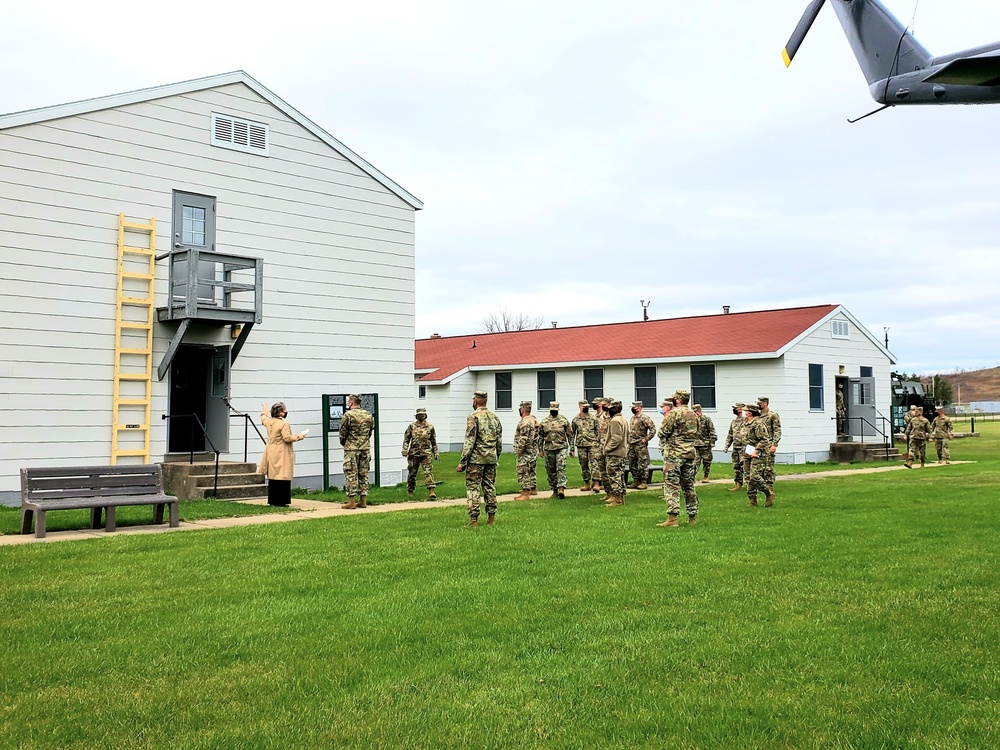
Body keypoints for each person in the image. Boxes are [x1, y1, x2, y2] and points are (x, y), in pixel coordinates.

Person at [456, 390, 503, 526]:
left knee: (473, 488)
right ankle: (491, 517)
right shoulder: (494, 417)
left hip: (476, 460)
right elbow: (499, 441)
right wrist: (496, 456)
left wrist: (462, 461)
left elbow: (469, 441)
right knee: (489, 487)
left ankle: (474, 519)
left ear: (476, 401)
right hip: (491, 459)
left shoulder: (473, 417)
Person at [656, 390, 700, 526]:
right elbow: (697, 433)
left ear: (679, 400)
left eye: (674, 398)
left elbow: (662, 432)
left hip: (674, 455)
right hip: (690, 454)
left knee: (671, 486)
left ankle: (673, 518)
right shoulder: (694, 415)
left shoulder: (674, 413)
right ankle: (692, 516)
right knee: (689, 486)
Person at [259, 401, 306, 506]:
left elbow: (263, 418)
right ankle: (282, 501)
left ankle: (273, 500)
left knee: (273, 476)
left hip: (271, 450)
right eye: (285, 410)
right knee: (283, 475)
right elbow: (287, 438)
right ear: (281, 412)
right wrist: (300, 436)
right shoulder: (284, 423)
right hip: (282, 451)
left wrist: (264, 410)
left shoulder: (269, 422)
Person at [339, 394, 373, 509]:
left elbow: (343, 432)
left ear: (351, 403)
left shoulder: (348, 415)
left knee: (351, 473)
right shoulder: (368, 415)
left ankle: (351, 501)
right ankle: (363, 500)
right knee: (363, 473)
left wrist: (345, 443)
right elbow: (370, 432)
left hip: (352, 448)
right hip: (365, 447)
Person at [402, 407, 439, 500]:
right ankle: (410, 490)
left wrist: (436, 452)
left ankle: (431, 490)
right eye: (419, 415)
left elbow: (433, 441)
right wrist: (405, 449)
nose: (420, 416)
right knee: (412, 473)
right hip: (414, 453)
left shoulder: (430, 427)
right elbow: (406, 439)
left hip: (426, 453)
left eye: (422, 414)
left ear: (425, 415)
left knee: (428, 472)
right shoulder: (412, 426)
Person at [538, 401, 573, 498]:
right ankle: (554, 489)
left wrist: (572, 448)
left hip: (561, 447)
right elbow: (540, 436)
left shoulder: (563, 420)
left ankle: (561, 488)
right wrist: (540, 450)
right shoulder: (544, 421)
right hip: (549, 448)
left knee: (560, 467)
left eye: (555, 410)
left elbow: (570, 435)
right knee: (551, 470)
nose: (554, 411)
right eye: (552, 410)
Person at [743, 403, 774, 507]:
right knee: (748, 477)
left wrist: (756, 451)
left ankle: (768, 493)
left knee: (754, 476)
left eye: (745, 410)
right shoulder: (746, 422)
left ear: (750, 412)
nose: (744, 412)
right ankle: (752, 501)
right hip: (748, 452)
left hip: (759, 454)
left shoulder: (758, 423)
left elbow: (765, 439)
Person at [602, 399, 629, 506]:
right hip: (621, 452)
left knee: (614, 476)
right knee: (620, 475)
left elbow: (616, 439)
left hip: (615, 453)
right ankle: (620, 498)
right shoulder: (623, 419)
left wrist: (607, 449)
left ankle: (617, 499)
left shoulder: (615, 421)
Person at [513, 400, 540, 500]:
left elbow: (523, 438)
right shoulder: (533, 419)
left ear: (522, 409)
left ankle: (525, 493)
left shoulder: (525, 422)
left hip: (525, 451)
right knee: (531, 469)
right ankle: (533, 488)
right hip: (533, 450)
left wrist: (519, 451)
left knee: (523, 471)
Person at [626, 401, 657, 490]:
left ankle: (643, 481)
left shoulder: (644, 418)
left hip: (640, 444)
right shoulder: (632, 418)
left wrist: (646, 439)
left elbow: (653, 430)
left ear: (639, 407)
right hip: (632, 444)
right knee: (632, 462)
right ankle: (636, 480)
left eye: (634, 407)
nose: (633, 409)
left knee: (642, 463)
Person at [571, 400, 600, 491]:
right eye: (584, 406)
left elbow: (598, 431)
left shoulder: (593, 418)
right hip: (581, 445)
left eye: (587, 406)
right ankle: (587, 483)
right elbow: (572, 434)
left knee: (595, 464)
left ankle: (596, 483)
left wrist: (598, 443)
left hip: (592, 444)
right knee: (583, 465)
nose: (586, 408)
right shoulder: (575, 419)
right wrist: (571, 448)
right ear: (580, 406)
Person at [757, 397, 782, 501]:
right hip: (759, 445)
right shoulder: (757, 416)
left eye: (760, 403)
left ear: (765, 403)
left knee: (768, 468)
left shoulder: (773, 415)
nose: (758, 405)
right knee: (758, 468)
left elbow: (777, 430)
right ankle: (761, 487)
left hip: (768, 444)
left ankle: (770, 488)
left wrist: (774, 444)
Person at [723, 403, 747, 492]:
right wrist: (726, 446)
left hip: (744, 447)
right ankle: (738, 485)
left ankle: (751, 486)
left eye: (736, 408)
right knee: (736, 467)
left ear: (741, 409)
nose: (734, 410)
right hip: (736, 447)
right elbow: (730, 435)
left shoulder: (746, 421)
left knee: (746, 467)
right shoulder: (734, 422)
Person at [692, 404, 717, 483]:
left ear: (699, 411)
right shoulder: (692, 419)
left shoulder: (706, 419)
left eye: (696, 411)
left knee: (707, 461)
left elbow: (712, 430)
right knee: (695, 461)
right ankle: (692, 477)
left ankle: (706, 476)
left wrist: (712, 441)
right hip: (695, 444)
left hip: (705, 444)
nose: (695, 413)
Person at [590, 397, 609, 493]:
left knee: (603, 464)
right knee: (595, 463)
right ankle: (596, 481)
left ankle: (601, 483)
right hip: (596, 443)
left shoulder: (605, 416)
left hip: (605, 443)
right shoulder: (594, 417)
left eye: (596, 404)